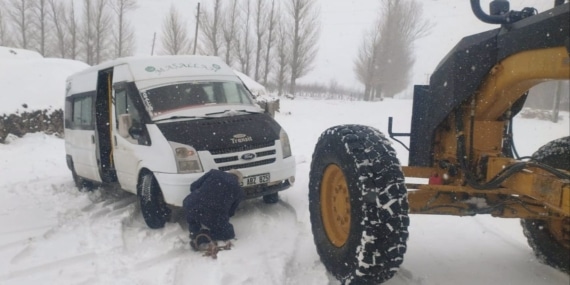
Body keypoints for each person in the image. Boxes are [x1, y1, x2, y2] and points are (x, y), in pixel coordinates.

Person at [183, 169, 245, 250]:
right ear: (238, 180)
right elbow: (230, 212)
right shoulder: (239, 191)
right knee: (228, 233)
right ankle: (202, 238)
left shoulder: (214, 173)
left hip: (190, 203)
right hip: (211, 212)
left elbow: (193, 186)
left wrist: (201, 197)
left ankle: (194, 232)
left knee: (193, 218)